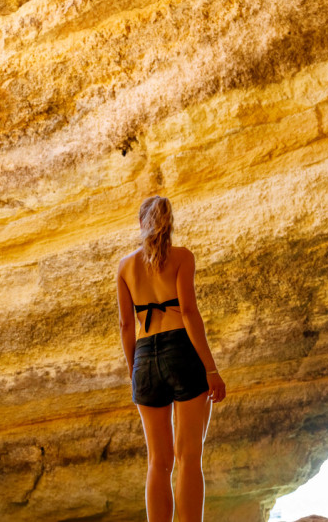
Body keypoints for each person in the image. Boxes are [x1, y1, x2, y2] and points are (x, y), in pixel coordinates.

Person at [116, 195, 227, 522]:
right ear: (170, 223)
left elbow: (126, 326)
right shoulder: (182, 258)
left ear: (140, 224)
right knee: (189, 457)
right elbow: (190, 313)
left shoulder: (125, 266)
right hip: (182, 349)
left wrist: (135, 370)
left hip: (145, 356)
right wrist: (212, 369)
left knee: (158, 461)